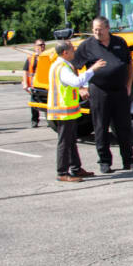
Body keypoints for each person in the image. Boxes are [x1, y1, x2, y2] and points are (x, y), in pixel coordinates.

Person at [73, 17, 133, 173]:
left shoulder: (120, 42)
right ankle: (104, 162)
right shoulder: (87, 46)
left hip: (120, 91)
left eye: (100, 29)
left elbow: (129, 65)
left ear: (108, 28)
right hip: (99, 90)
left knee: (123, 127)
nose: (97, 32)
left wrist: (128, 86)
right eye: (94, 29)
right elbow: (74, 66)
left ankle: (128, 160)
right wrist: (81, 87)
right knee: (100, 127)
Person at [48, 40, 106, 183]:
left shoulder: (59, 65)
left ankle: (76, 168)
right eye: (72, 50)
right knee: (65, 142)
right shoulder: (62, 68)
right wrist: (93, 69)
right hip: (63, 110)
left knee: (70, 141)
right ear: (65, 52)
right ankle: (62, 172)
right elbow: (76, 82)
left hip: (65, 110)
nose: (74, 52)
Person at [22, 39, 46, 128]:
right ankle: (34, 120)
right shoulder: (31, 58)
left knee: (49, 103)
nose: (42, 47)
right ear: (35, 47)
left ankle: (51, 121)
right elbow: (25, 71)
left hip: (46, 84)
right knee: (33, 102)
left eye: (43, 45)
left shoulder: (48, 57)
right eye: (40, 45)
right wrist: (25, 83)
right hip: (35, 85)